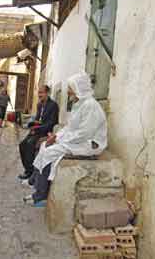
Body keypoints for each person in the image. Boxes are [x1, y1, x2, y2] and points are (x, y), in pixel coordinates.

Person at [24, 73, 108, 207]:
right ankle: (36, 183)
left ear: (78, 89)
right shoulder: (79, 104)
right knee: (45, 145)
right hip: (78, 140)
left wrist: (61, 140)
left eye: (71, 89)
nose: (68, 92)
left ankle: (40, 196)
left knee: (50, 152)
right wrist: (56, 137)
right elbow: (70, 127)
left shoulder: (91, 106)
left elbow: (84, 133)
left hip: (90, 144)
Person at [18, 85, 59, 180]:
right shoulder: (39, 105)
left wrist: (38, 128)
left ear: (47, 93)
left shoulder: (53, 105)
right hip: (37, 130)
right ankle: (27, 168)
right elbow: (37, 119)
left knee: (30, 144)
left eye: (42, 92)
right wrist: (32, 124)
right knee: (22, 145)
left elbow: (52, 123)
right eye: (39, 92)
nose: (39, 95)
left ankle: (30, 172)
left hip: (46, 132)